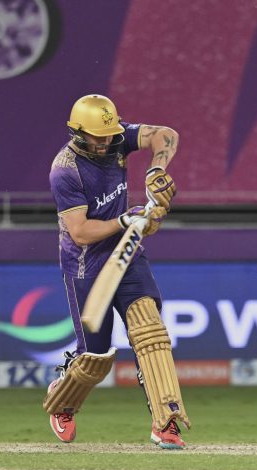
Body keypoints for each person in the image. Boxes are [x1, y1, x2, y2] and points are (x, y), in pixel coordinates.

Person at [45, 94, 191, 449]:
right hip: (86, 266)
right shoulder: (65, 170)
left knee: (150, 331)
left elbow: (165, 134)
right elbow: (80, 232)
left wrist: (158, 168)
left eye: (110, 134)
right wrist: (127, 218)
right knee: (95, 360)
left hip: (127, 257)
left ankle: (166, 421)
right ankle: (63, 400)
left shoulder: (115, 138)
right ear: (78, 132)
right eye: (98, 136)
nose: (106, 141)